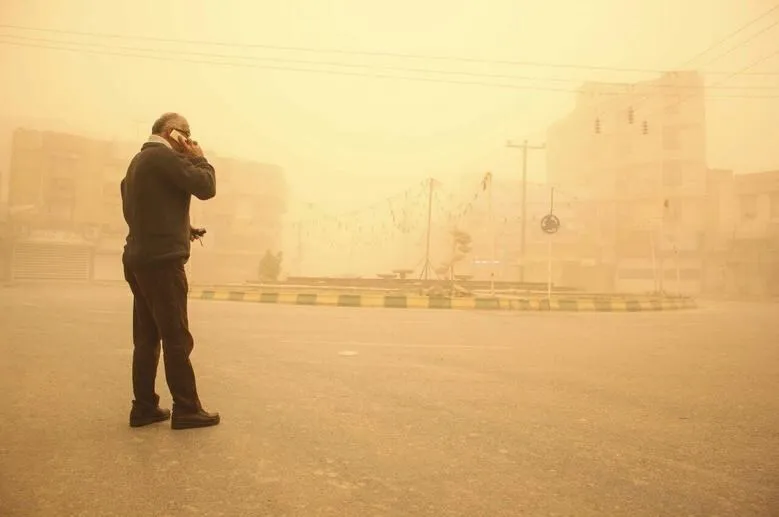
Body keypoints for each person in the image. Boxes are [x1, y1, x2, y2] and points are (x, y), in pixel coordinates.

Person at [120, 112, 220, 430]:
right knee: (176, 337)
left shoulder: (137, 164)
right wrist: (200, 158)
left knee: (147, 338)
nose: (188, 142)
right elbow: (205, 186)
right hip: (162, 264)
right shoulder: (163, 157)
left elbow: (139, 207)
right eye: (186, 135)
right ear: (172, 133)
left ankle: (144, 407)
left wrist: (182, 227)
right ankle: (187, 409)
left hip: (138, 259)